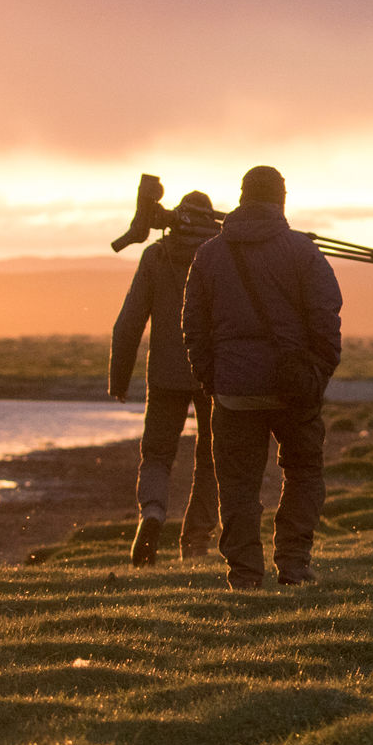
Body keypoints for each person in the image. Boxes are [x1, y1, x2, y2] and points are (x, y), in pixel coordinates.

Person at [182, 166, 343, 590]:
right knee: (304, 473)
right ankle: (293, 565)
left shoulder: (209, 254)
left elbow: (193, 325)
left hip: (233, 390)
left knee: (236, 484)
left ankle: (245, 577)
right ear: (282, 198)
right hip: (294, 390)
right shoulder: (303, 251)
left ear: (241, 197)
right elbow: (326, 318)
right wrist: (317, 374)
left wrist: (210, 378)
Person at [108, 191, 220, 566]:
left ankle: (152, 514)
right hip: (214, 375)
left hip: (165, 374)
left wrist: (119, 380)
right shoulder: (222, 256)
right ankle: (196, 540)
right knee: (212, 457)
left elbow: (128, 324)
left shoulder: (156, 256)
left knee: (156, 455)